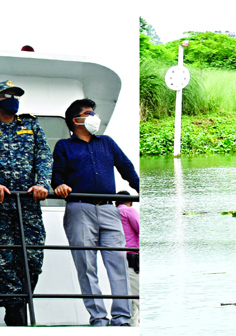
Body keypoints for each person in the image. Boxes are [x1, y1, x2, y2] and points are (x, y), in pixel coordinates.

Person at [0, 80, 52, 326]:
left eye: (16, 95)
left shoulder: (31, 124)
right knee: (3, 259)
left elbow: (44, 155)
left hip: (27, 203)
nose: (13, 99)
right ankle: (14, 310)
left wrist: (43, 183)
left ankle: (21, 300)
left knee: (34, 257)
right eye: (7, 96)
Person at [51, 98, 139, 327]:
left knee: (118, 262)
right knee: (86, 265)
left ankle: (121, 318)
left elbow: (126, 168)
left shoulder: (107, 143)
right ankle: (98, 318)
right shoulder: (64, 146)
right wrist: (59, 186)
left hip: (110, 209)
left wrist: (142, 188)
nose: (94, 117)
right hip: (80, 208)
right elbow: (56, 177)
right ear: (76, 120)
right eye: (89, 113)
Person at [115, 190, 140, 327]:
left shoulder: (113, 214)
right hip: (132, 258)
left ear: (115, 203)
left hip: (119, 259)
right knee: (139, 296)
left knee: (130, 300)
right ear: (130, 202)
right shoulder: (129, 211)